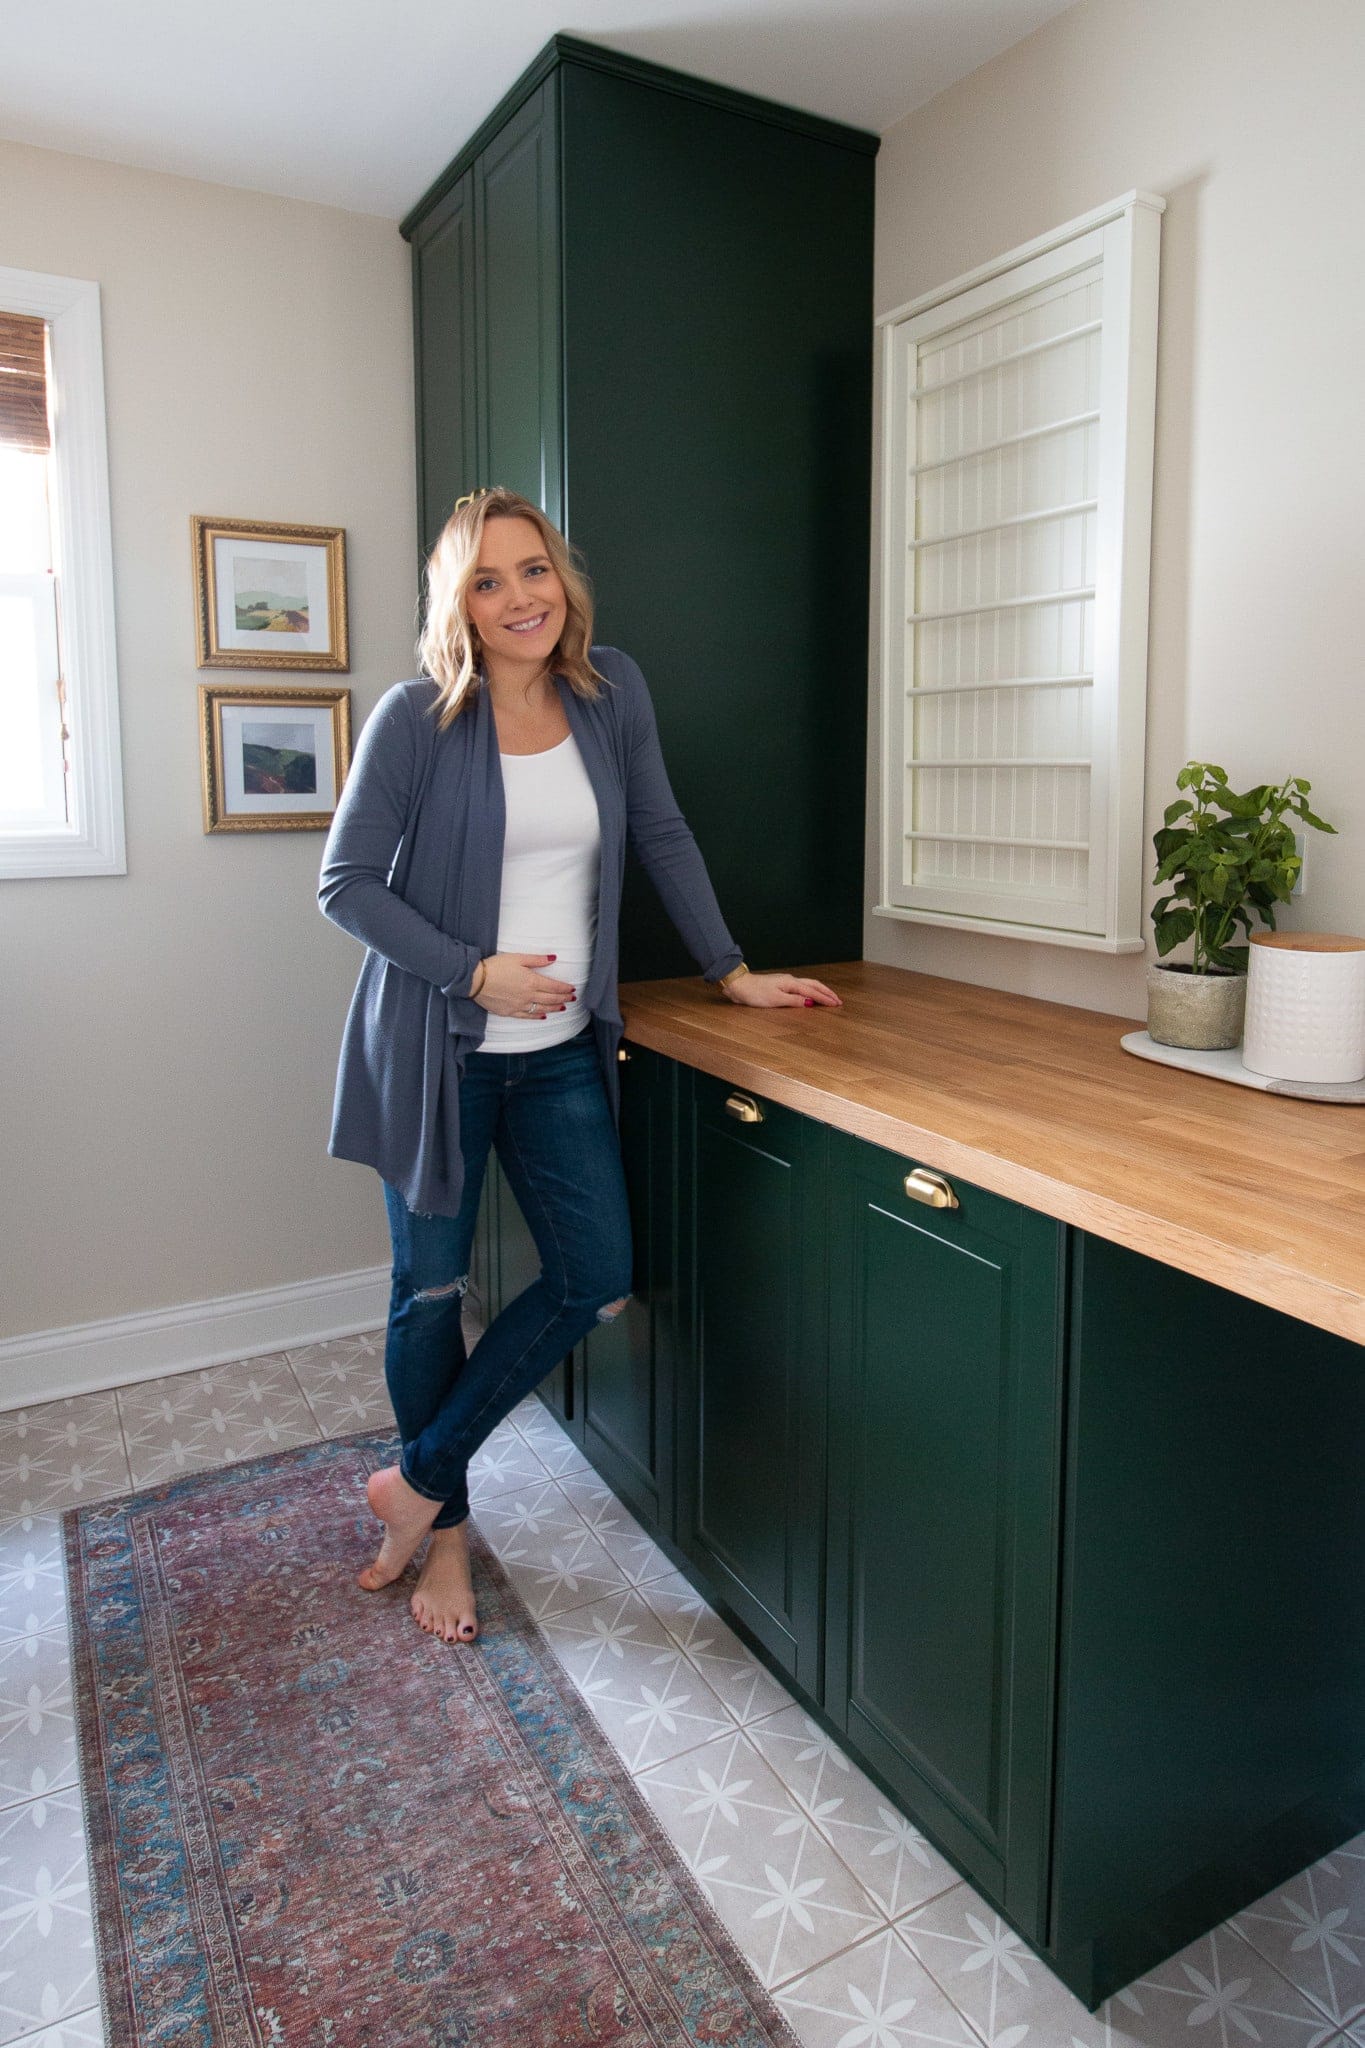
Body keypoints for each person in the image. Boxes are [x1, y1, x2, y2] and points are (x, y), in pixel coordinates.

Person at [318, 487, 841, 1646]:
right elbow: (344, 885)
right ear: (460, 603)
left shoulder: (613, 695)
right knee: (432, 1296)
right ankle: (446, 1536)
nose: (521, 598)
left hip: (559, 1054)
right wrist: (473, 972)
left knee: (597, 1270)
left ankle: (413, 1478)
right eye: (490, 580)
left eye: (536, 569)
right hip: (437, 1049)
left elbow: (661, 833)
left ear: (566, 578)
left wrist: (732, 968)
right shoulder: (416, 717)